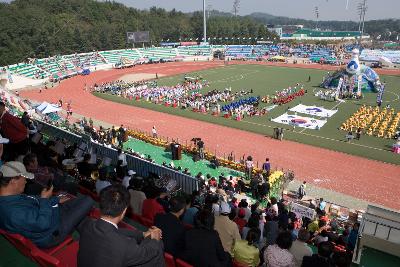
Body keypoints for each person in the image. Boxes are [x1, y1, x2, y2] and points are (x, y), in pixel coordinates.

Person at [0, 161, 94, 248]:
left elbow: (34, 205)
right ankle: (92, 238)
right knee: (88, 200)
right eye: (24, 178)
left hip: (47, 218)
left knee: (74, 205)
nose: (25, 181)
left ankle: (89, 237)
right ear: (13, 181)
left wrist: (55, 200)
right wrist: (45, 199)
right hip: (52, 233)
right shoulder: (13, 212)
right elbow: (43, 224)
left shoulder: (9, 199)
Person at [77, 185, 165, 267]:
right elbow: (147, 253)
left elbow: (115, 231)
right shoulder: (124, 245)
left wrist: (142, 234)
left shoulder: (88, 223)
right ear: (124, 211)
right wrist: (154, 239)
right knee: (157, 248)